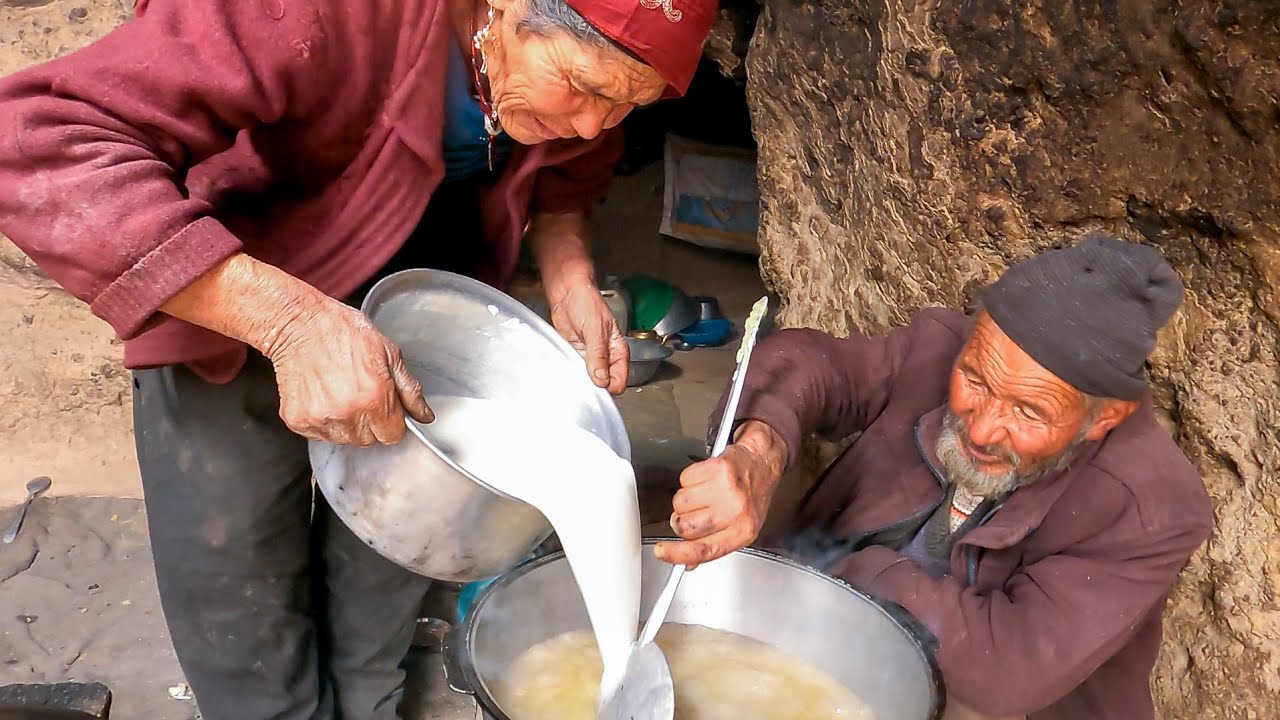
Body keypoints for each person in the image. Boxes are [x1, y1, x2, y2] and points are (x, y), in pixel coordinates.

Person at [0, 0, 714, 716]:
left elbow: (573, 165)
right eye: (584, 87)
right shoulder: (317, 13)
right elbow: (35, 142)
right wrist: (287, 322)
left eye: (626, 105)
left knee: (402, 542)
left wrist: (568, 268)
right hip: (237, 288)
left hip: (418, 297)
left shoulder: (565, 101)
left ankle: (369, 701)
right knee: (235, 568)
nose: (595, 120)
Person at [656, 234, 1214, 720]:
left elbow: (1008, 666)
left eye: (1027, 412)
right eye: (975, 380)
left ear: (1105, 417)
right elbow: (809, 363)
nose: (983, 429)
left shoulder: (1150, 507)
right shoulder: (935, 349)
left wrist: (846, 577)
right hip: (836, 615)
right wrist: (760, 449)